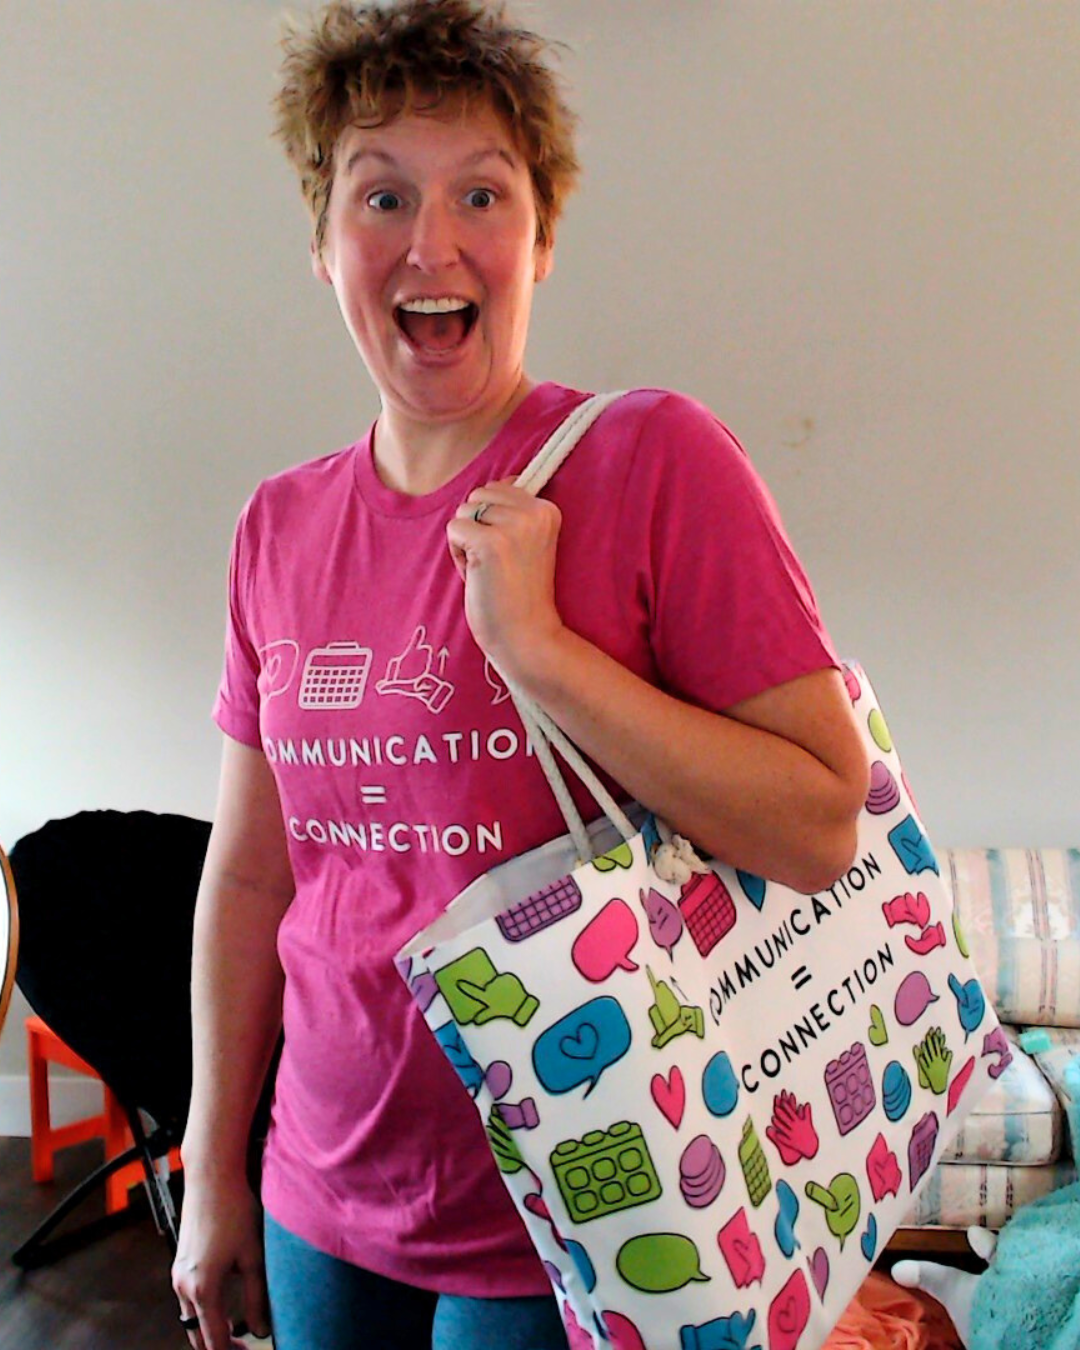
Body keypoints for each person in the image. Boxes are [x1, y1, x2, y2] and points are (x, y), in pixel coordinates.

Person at [171, 2, 870, 1347]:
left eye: (481, 194)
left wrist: (541, 653)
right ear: (324, 244)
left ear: (541, 238)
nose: (430, 244)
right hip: (322, 1186)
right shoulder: (279, 523)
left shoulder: (652, 460)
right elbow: (254, 878)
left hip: (586, 1195)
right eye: (383, 196)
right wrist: (214, 1168)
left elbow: (820, 823)